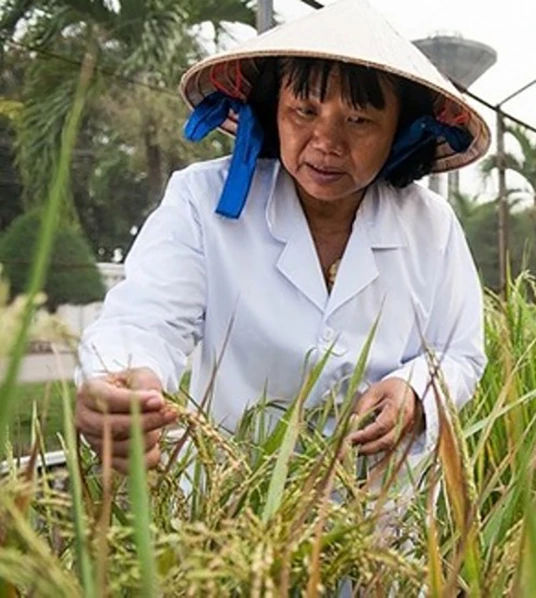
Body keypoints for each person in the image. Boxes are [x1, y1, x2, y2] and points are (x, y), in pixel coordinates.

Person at [74, 0, 490, 477]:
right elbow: (146, 320)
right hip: (232, 506)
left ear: (401, 128)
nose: (326, 142)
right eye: (304, 110)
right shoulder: (201, 200)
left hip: (380, 514)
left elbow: (460, 352)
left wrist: (415, 390)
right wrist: (126, 379)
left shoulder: (430, 225)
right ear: (273, 109)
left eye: (358, 120)